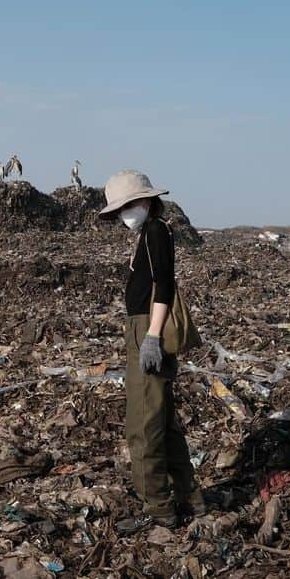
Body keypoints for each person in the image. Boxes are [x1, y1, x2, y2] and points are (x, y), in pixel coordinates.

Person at [98, 169, 205, 531]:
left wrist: (153, 336)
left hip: (148, 328)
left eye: (128, 206)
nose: (124, 214)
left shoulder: (157, 231)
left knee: (143, 424)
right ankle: (190, 497)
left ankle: (158, 508)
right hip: (143, 328)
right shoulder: (150, 232)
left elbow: (164, 286)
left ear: (145, 202)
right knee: (164, 419)